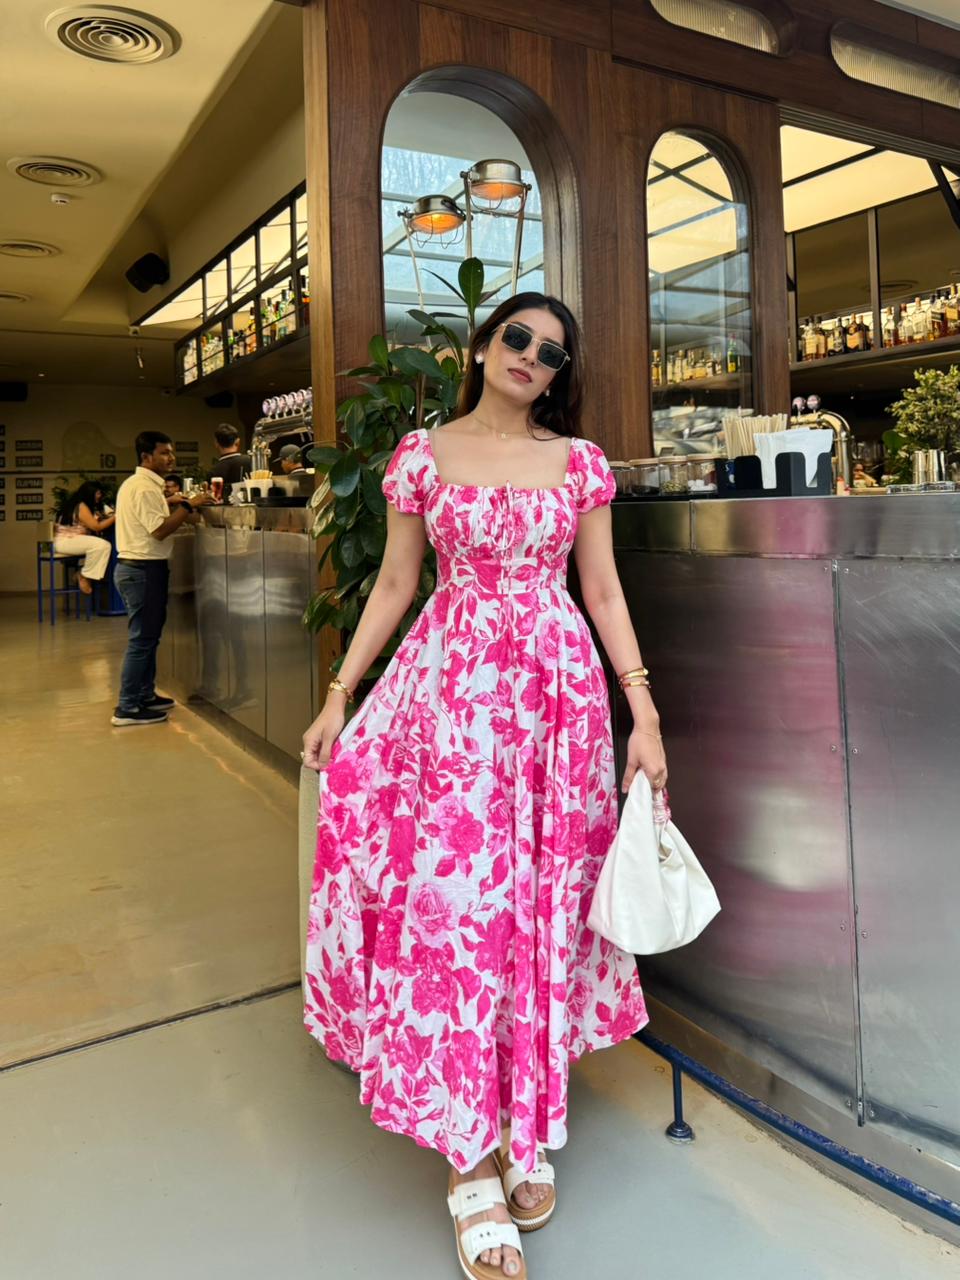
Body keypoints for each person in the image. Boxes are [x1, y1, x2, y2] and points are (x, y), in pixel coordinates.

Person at [301, 294, 668, 1280]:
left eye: (552, 352)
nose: (533, 357)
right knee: (458, 911)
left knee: (539, 908)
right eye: (518, 337)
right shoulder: (422, 457)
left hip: (557, 706)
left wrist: (645, 711)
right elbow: (392, 582)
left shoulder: (577, 461)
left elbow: (601, 591)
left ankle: (523, 1115)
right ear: (480, 345)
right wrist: (341, 692)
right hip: (452, 700)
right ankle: (467, 1160)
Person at [111, 431, 213, 727]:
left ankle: (144, 694)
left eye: (171, 452)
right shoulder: (143, 487)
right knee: (141, 640)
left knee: (149, 637)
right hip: (142, 570)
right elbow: (158, 530)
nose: (171, 458)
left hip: (143, 569)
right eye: (165, 453)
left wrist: (174, 503)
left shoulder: (143, 486)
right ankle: (127, 707)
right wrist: (188, 506)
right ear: (146, 457)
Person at [53, 480, 115, 594]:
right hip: (67, 541)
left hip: (67, 541)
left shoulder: (75, 503)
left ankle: (83, 573)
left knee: (95, 546)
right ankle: (84, 575)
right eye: (98, 493)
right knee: (103, 545)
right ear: (90, 493)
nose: (100, 496)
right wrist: (116, 516)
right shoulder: (81, 506)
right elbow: (96, 527)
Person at [207, 424, 250, 500]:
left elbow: (211, 498)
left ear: (216, 443)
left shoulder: (214, 471)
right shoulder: (250, 461)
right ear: (238, 441)